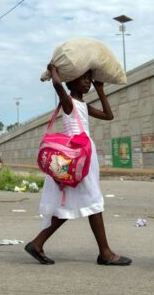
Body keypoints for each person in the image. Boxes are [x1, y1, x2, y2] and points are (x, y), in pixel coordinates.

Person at [25, 64, 131, 266]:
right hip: (75, 155)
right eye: (83, 78)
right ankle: (105, 253)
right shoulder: (69, 102)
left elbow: (109, 116)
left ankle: (37, 243)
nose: (87, 82)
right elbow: (57, 85)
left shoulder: (83, 104)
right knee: (93, 201)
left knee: (76, 203)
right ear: (71, 80)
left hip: (84, 155)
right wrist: (53, 70)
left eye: (89, 79)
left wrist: (100, 89)